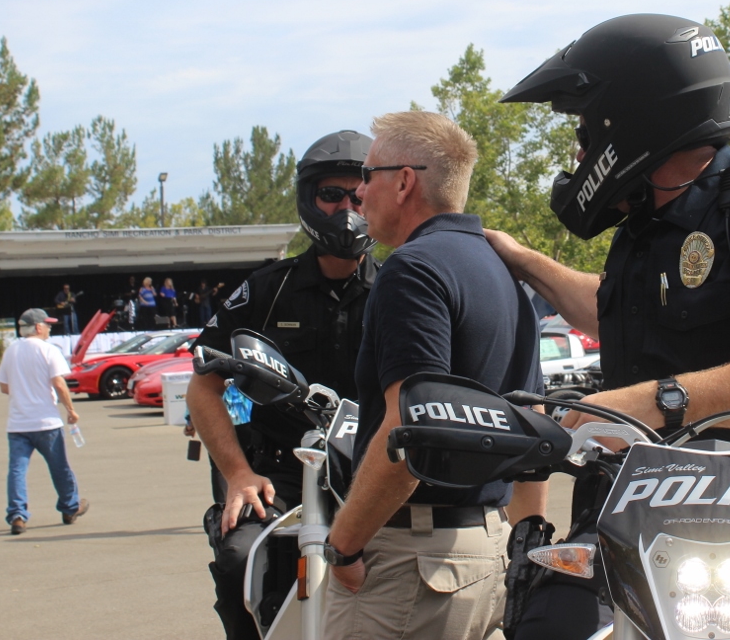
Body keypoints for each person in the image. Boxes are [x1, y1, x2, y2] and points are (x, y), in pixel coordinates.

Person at [485, 14, 730, 640]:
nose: (580, 155)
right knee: (544, 622)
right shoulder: (642, 229)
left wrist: (648, 403)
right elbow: (615, 312)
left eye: (585, 132)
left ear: (632, 117)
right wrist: (523, 262)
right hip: (633, 516)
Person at [322, 111, 545, 640]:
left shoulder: (413, 269)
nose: (357, 192)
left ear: (403, 182)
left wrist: (345, 543)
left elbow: (412, 434)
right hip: (486, 554)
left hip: (411, 566)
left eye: (367, 175)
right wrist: (524, 543)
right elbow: (530, 423)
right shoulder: (503, 273)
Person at [187, 130, 380, 640]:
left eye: (358, 195)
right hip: (278, 477)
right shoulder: (266, 291)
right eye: (331, 195)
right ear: (308, 200)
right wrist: (237, 474)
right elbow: (202, 386)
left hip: (372, 473)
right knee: (239, 562)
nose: (346, 208)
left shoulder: (402, 287)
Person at [0, 308, 90, 534]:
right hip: (46, 421)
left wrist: (23, 391)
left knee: (17, 470)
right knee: (59, 467)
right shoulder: (49, 350)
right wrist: (71, 409)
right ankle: (69, 507)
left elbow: (4, 386)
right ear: (38, 327)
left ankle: (17, 514)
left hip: (18, 423)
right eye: (47, 325)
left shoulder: (11, 351)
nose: (49, 329)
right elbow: (58, 383)